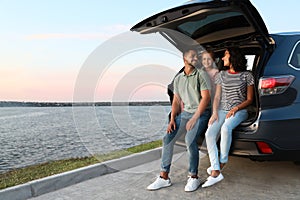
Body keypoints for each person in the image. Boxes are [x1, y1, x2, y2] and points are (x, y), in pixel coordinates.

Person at [147, 48, 211, 192]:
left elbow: (206, 98)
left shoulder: (201, 74)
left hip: (201, 113)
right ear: (184, 59)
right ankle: (164, 177)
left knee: (190, 139)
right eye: (192, 56)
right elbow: (176, 101)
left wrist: (194, 118)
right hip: (186, 113)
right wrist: (172, 120)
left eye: (196, 57)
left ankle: (193, 177)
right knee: (167, 138)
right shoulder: (178, 79)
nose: (195, 59)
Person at [202, 47, 254, 188]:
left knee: (226, 128)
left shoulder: (247, 75)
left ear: (233, 57)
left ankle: (220, 165)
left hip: (240, 111)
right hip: (220, 110)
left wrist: (236, 108)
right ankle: (215, 167)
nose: (223, 58)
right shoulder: (222, 75)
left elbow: (249, 99)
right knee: (209, 134)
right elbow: (217, 96)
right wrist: (214, 113)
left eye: (225, 55)